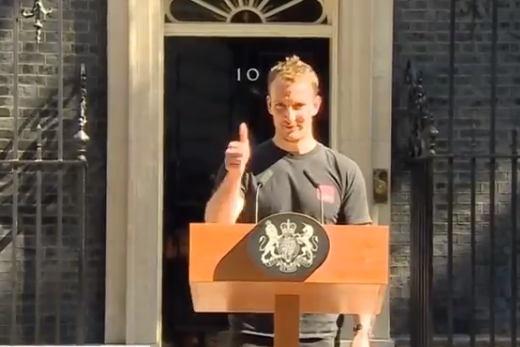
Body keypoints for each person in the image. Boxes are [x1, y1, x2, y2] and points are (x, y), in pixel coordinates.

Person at [204, 55, 373, 347]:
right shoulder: (247, 165)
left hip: (318, 332)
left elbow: (362, 257)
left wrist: (362, 329)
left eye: (298, 106)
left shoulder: (343, 171)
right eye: (281, 106)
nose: (289, 116)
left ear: (316, 105)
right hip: (251, 331)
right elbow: (216, 227)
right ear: (269, 105)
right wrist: (234, 175)